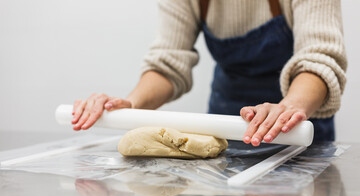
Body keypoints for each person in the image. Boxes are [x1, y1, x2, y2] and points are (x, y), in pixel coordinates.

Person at [71, 0, 347, 146]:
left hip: (298, 126)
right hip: (226, 120)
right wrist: (129, 104)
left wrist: (289, 109)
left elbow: (319, 56)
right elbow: (168, 61)